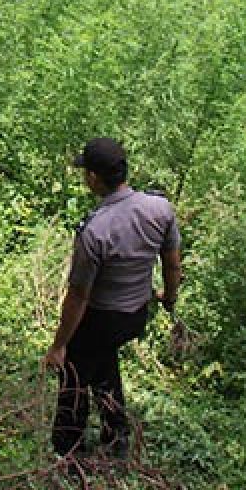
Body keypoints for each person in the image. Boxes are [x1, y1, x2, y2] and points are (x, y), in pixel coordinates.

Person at [43, 138, 182, 460]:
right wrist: (169, 298)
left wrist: (59, 345)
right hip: (135, 315)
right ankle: (116, 435)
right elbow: (172, 262)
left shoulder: (95, 231)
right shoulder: (160, 209)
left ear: (93, 178)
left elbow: (78, 296)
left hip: (102, 317)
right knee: (103, 359)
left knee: (74, 376)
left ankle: (69, 452)